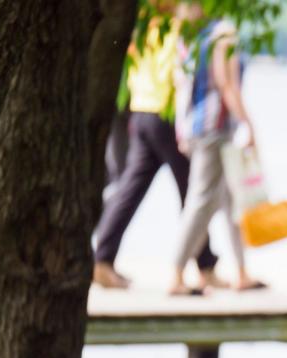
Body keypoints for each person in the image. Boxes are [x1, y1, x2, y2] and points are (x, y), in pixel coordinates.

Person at [92, 8, 222, 290]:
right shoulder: (176, 30)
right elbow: (182, 77)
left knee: (131, 188)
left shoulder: (143, 28)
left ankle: (102, 259)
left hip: (141, 112)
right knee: (193, 190)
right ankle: (205, 267)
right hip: (166, 115)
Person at [169, 5, 265, 295]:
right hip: (216, 129)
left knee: (231, 198)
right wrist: (250, 127)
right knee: (200, 203)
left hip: (195, 127)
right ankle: (175, 274)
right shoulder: (223, 36)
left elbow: (180, 86)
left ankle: (241, 271)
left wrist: (181, 130)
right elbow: (227, 85)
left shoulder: (187, 36)